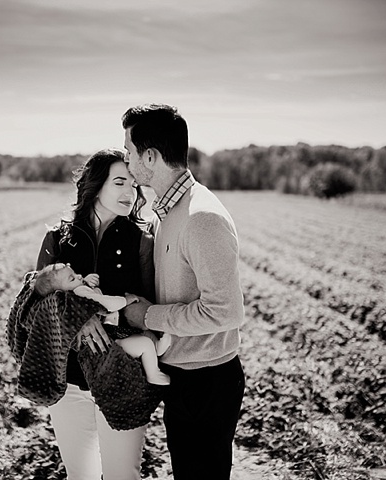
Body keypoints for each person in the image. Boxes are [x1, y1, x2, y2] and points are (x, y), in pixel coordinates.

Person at [121, 104, 246, 479]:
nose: (126, 162)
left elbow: (226, 311)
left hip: (206, 383)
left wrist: (147, 316)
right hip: (182, 376)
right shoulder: (166, 213)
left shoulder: (201, 218)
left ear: (150, 156)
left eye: (129, 152)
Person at [35, 148, 155, 480]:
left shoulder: (142, 242)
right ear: (95, 185)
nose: (130, 193)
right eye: (120, 182)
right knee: (80, 476)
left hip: (123, 378)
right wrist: (80, 315)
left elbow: (148, 308)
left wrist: (117, 307)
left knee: (122, 476)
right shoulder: (57, 239)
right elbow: (35, 307)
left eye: (134, 185)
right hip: (68, 382)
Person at [27, 262, 172, 385]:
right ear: (60, 292)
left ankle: (157, 348)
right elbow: (105, 303)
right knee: (144, 343)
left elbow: (93, 294)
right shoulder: (79, 292)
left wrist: (87, 283)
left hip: (109, 339)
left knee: (142, 337)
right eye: (72, 278)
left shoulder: (71, 297)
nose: (79, 276)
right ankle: (152, 373)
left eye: (75, 273)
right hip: (111, 343)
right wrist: (126, 300)